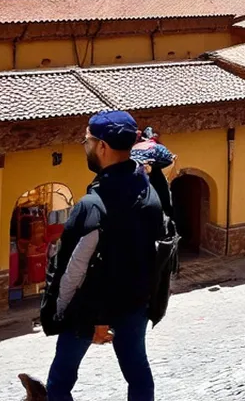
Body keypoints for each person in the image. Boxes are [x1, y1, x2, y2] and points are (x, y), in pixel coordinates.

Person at [41, 111, 166, 401]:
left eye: (87, 140)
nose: (85, 146)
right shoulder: (149, 193)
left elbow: (76, 269)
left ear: (102, 146)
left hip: (88, 308)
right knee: (138, 375)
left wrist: (74, 315)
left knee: (59, 383)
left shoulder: (92, 207)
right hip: (136, 305)